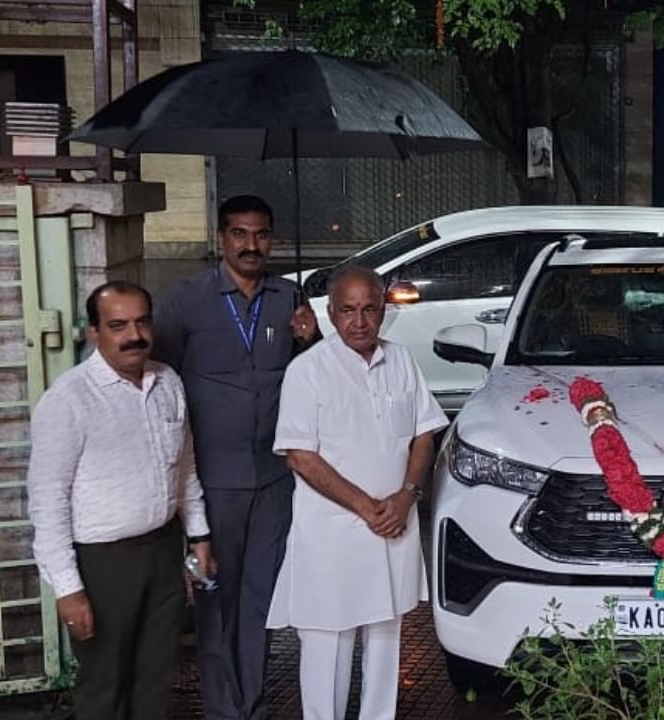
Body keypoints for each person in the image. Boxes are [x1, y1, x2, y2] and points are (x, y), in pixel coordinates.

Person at [152, 195, 319, 720]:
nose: (251, 245)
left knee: (259, 600)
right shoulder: (186, 301)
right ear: (221, 238)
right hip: (213, 483)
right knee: (215, 599)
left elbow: (310, 383)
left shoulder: (289, 298)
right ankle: (223, 708)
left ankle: (252, 703)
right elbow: (161, 382)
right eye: (240, 234)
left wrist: (309, 341)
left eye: (262, 234)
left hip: (274, 481)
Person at [268, 266, 448, 720]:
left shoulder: (402, 360)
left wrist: (407, 496)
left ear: (384, 310)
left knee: (387, 636)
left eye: (370, 309)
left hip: (394, 526)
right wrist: (368, 508)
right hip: (333, 535)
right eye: (347, 310)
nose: (359, 321)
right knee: (328, 640)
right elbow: (300, 457)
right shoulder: (307, 371)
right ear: (331, 313)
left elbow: (424, 434)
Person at [28, 282, 213, 720]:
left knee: (155, 680)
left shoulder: (167, 382)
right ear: (94, 332)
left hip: (163, 552)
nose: (134, 335)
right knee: (104, 686)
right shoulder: (69, 399)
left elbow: (184, 467)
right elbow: (47, 502)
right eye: (117, 325)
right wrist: (68, 590)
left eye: (141, 321)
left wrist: (199, 535)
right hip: (102, 563)